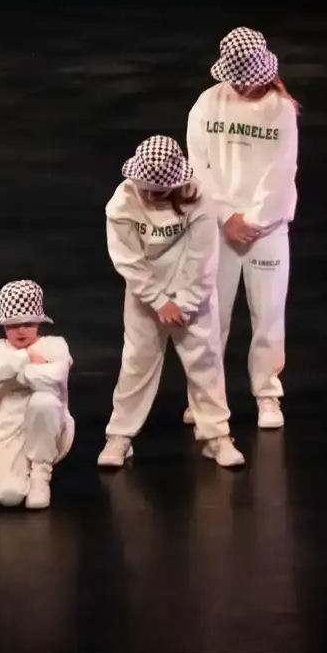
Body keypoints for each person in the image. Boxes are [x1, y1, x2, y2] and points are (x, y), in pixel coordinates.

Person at [97, 136, 245, 470]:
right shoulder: (120, 204)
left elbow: (203, 258)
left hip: (192, 294)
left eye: (159, 191)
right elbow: (128, 260)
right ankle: (120, 435)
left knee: (205, 362)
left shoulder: (199, 199)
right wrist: (158, 301)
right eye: (146, 189)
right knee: (137, 362)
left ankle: (216, 435)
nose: (151, 196)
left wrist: (185, 303)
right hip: (145, 296)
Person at [186, 27, 299, 430]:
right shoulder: (207, 103)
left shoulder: (280, 109)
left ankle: (267, 394)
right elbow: (198, 167)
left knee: (268, 314)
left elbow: (282, 170)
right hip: (219, 228)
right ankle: (205, 397)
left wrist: (254, 219)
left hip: (266, 231)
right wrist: (225, 215)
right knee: (212, 315)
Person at [0, 280, 74, 510]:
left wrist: (9, 371)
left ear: (38, 323)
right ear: (3, 326)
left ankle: (41, 473)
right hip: (6, 431)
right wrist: (27, 358)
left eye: (28, 323)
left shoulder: (56, 345)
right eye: (14, 324)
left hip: (49, 427)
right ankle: (17, 472)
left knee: (44, 400)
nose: (21, 330)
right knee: (8, 496)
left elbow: (53, 379)